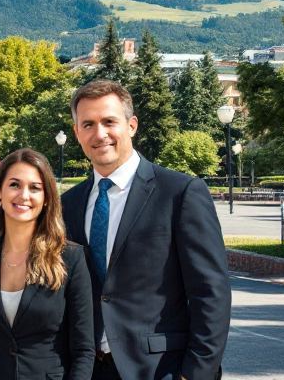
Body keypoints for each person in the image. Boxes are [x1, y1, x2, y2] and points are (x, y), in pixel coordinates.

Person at [60, 80, 229, 380]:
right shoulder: (68, 204)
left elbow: (210, 293)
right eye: (88, 124)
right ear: (77, 133)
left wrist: (196, 373)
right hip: (88, 370)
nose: (99, 134)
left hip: (161, 369)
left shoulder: (181, 193)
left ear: (132, 125)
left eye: (109, 121)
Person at [0, 149, 94, 380]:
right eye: (14, 185)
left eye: (35, 187)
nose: (24, 195)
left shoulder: (70, 258)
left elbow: (83, 350)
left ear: (47, 197)